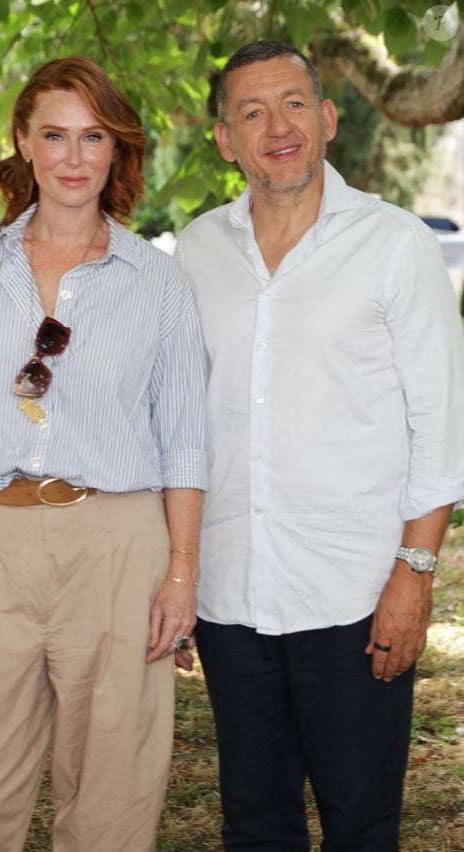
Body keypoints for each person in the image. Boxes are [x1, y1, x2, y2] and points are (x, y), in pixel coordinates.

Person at [0, 56, 208, 852]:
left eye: (93, 136)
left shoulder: (158, 282)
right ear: (24, 144)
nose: (74, 157)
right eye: (55, 136)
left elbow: (185, 442)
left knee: (110, 807)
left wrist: (180, 574)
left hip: (118, 546)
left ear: (116, 151)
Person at [175, 40, 464, 852]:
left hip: (357, 596)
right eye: (253, 111)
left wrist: (414, 573)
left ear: (329, 118)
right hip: (231, 596)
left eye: (295, 104)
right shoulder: (195, 254)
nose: (279, 127)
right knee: (254, 824)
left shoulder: (395, 244)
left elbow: (438, 426)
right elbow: (181, 429)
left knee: (362, 827)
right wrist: (179, 573)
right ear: (226, 140)